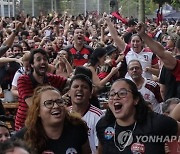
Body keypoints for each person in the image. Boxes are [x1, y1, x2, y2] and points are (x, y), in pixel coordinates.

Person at [96, 78, 180, 154]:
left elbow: (176, 129)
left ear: (136, 99)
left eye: (122, 93)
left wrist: (173, 148)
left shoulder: (156, 122)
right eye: (112, 94)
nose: (116, 97)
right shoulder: (103, 124)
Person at [13, 85, 91, 154]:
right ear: (38, 111)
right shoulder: (22, 137)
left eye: (59, 101)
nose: (56, 106)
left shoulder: (78, 128)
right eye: (49, 103)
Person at [15, 48, 67, 131]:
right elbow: (33, 106)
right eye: (38, 59)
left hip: (45, 125)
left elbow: (73, 83)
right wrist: (60, 100)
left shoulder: (51, 78)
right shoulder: (23, 80)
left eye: (45, 59)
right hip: (25, 125)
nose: (43, 62)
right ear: (32, 64)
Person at [104, 16, 159, 80]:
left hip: (146, 84)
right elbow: (115, 37)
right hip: (130, 84)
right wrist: (108, 21)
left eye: (137, 41)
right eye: (133, 41)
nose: (135, 43)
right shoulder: (128, 50)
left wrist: (149, 70)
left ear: (142, 43)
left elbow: (158, 72)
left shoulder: (150, 53)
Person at [68, 74, 104, 154]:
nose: (79, 89)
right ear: (69, 92)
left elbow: (99, 149)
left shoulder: (98, 116)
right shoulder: (64, 114)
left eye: (84, 87)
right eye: (76, 86)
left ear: (91, 93)